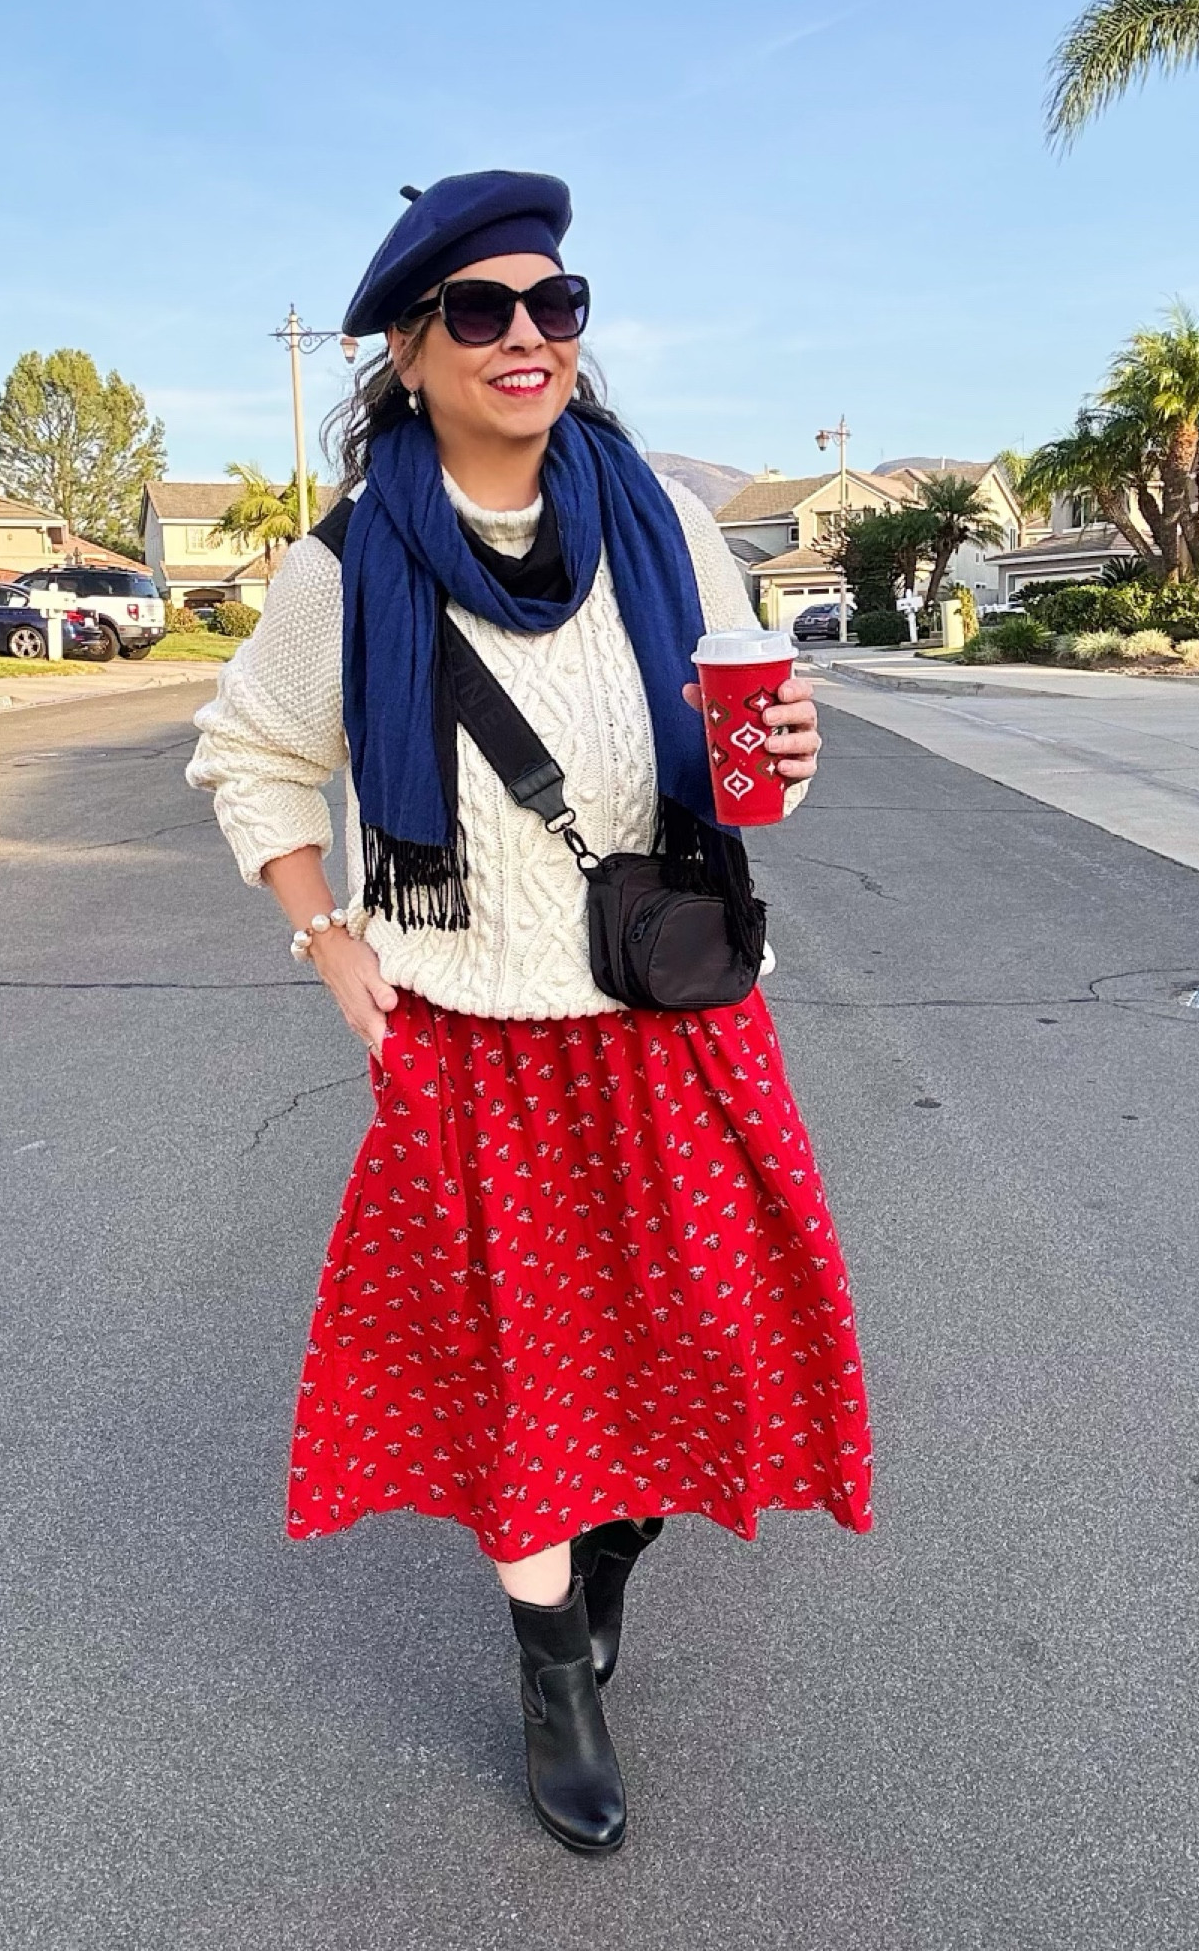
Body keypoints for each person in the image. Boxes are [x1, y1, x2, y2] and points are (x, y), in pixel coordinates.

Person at [187, 170, 873, 1854]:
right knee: (510, 1380)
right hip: (475, 1041)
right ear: (410, 352)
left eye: (552, 305)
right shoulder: (342, 567)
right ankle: (553, 1666)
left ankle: (619, 1534)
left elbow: (740, 720)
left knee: (702, 1327)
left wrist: (781, 758)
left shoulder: (660, 513)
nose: (526, 337)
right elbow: (250, 757)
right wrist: (324, 941)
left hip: (677, 1008)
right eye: (480, 311)